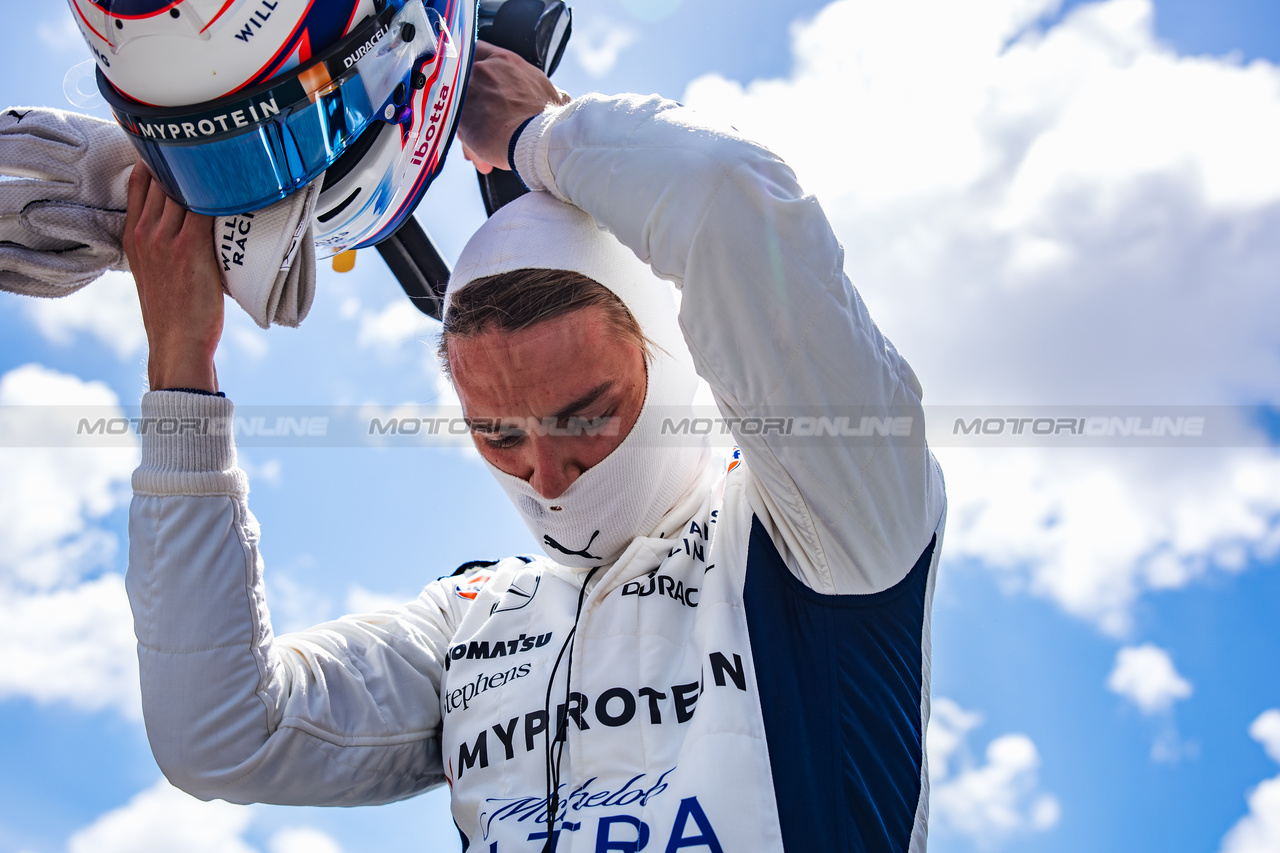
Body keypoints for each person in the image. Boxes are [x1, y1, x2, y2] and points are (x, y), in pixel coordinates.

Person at [124, 41, 946, 853]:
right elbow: (219, 732)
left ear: (670, 359)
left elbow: (730, 201)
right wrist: (182, 365)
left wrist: (540, 134)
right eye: (500, 434)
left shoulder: (817, 527)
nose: (547, 478)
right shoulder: (471, 619)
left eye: (586, 416)